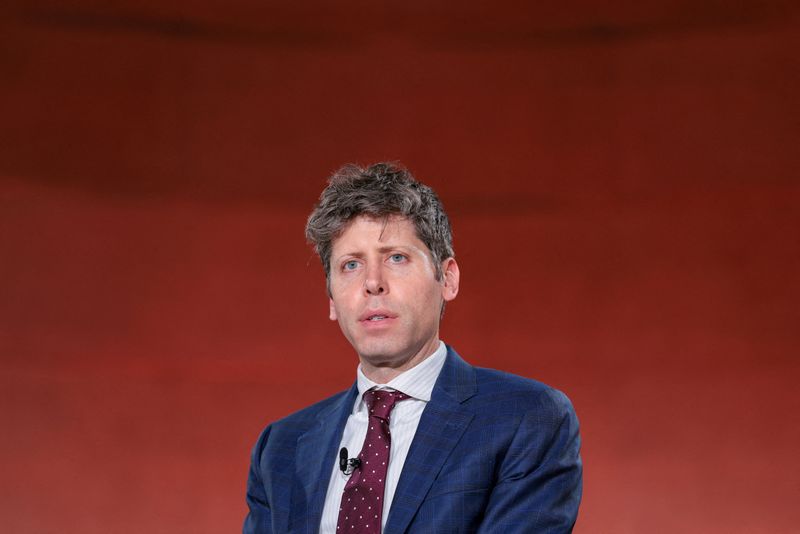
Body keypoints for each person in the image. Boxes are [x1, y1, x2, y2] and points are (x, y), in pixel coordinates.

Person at [243, 163, 582, 533]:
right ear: (331, 300)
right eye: (351, 265)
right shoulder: (281, 448)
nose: (373, 283)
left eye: (396, 258)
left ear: (447, 279)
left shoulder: (525, 419)